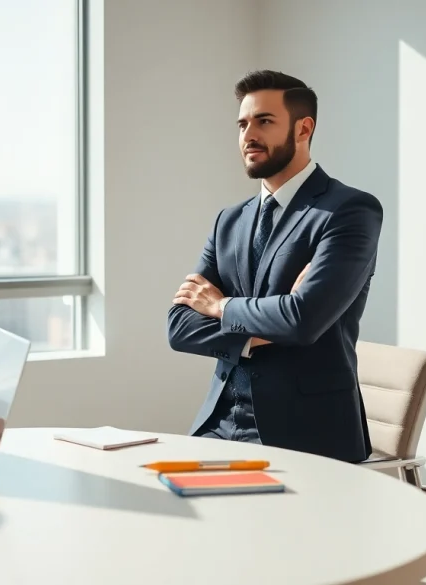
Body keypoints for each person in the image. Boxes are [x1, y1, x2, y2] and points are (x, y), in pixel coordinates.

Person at [167, 70, 382, 463]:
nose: (249, 135)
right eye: (243, 124)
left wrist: (221, 307)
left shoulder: (349, 211)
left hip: (307, 433)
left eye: (264, 121)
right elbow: (179, 327)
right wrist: (268, 323)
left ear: (303, 129)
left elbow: (303, 319)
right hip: (218, 426)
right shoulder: (229, 221)